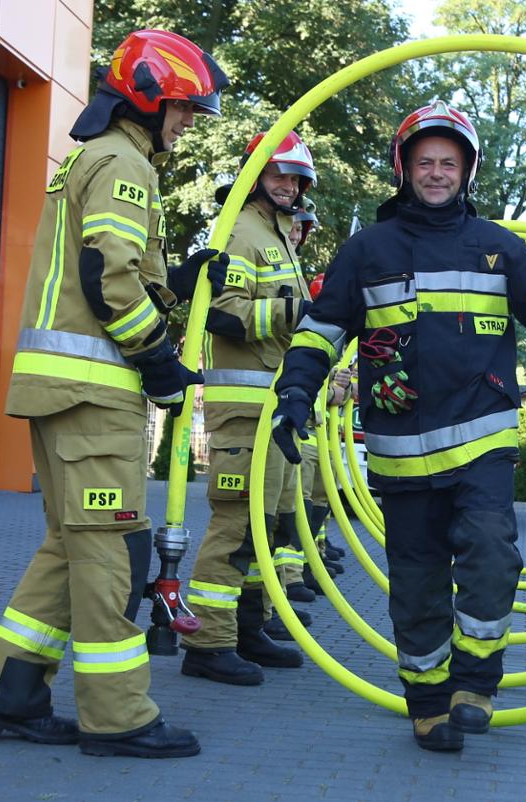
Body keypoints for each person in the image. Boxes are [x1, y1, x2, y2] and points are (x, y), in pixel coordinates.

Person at [268, 100, 526, 752]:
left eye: (448, 162)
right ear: (404, 169)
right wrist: (295, 395)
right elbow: (320, 333)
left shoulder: (499, 248)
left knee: (492, 556)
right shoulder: (368, 250)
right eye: (425, 163)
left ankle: (475, 680)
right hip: (400, 452)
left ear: (466, 170)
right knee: (415, 585)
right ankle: (428, 700)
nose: (436, 173)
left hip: (482, 441)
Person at [0, 29, 224, 759]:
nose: (187, 122)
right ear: (146, 99)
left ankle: (8, 697)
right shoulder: (123, 163)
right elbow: (107, 278)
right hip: (93, 396)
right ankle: (119, 718)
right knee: (112, 550)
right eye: (182, 108)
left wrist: (181, 280)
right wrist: (159, 359)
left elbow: (114, 270)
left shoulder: (98, 159)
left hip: (63, 392)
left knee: (69, 547)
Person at [179, 130, 321, 686]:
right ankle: (210, 643)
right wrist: (301, 311)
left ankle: (248, 626)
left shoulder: (278, 234)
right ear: (255, 176)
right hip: (244, 410)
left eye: (296, 177)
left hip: (274, 409)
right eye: (278, 174)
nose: (288, 184)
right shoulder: (241, 231)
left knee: (272, 525)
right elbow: (226, 312)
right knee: (236, 525)